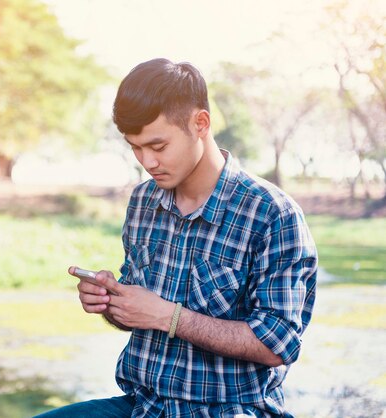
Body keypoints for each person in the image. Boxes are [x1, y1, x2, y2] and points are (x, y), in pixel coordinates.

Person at [35, 58, 318, 418]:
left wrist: (170, 317)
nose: (147, 162)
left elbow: (277, 345)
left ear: (200, 123)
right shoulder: (142, 201)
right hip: (143, 406)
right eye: (135, 147)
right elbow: (142, 314)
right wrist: (112, 302)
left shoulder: (273, 214)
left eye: (158, 145)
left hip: (229, 410)